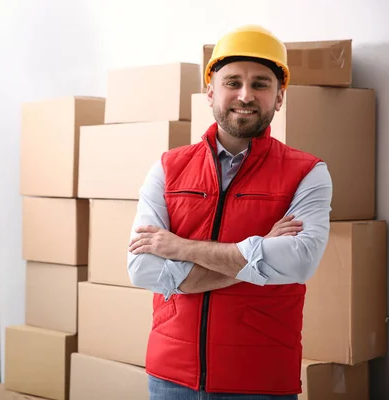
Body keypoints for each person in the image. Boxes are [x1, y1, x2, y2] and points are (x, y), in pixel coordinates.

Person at [127, 25, 333, 400]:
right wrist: (258, 259)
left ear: (279, 96)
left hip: (260, 379)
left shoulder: (308, 173)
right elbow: (142, 268)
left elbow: (299, 262)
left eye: (260, 84)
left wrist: (181, 247)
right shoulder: (167, 168)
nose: (245, 95)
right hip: (170, 377)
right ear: (210, 92)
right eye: (232, 82)